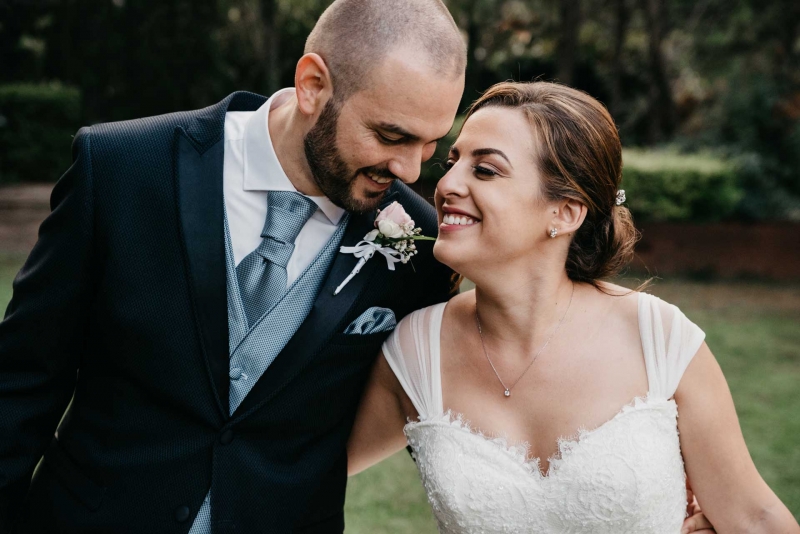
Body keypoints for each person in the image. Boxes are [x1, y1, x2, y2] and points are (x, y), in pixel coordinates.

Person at [0, 1, 466, 532]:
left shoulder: (421, 244)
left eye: (431, 145)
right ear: (313, 84)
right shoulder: (120, 168)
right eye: (391, 136)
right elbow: (21, 385)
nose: (408, 169)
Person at [347, 81, 800, 533]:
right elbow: (301, 469)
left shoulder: (658, 339)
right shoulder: (415, 349)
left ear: (565, 212)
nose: (446, 184)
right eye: (453, 162)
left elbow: (754, 518)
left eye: (484, 170)